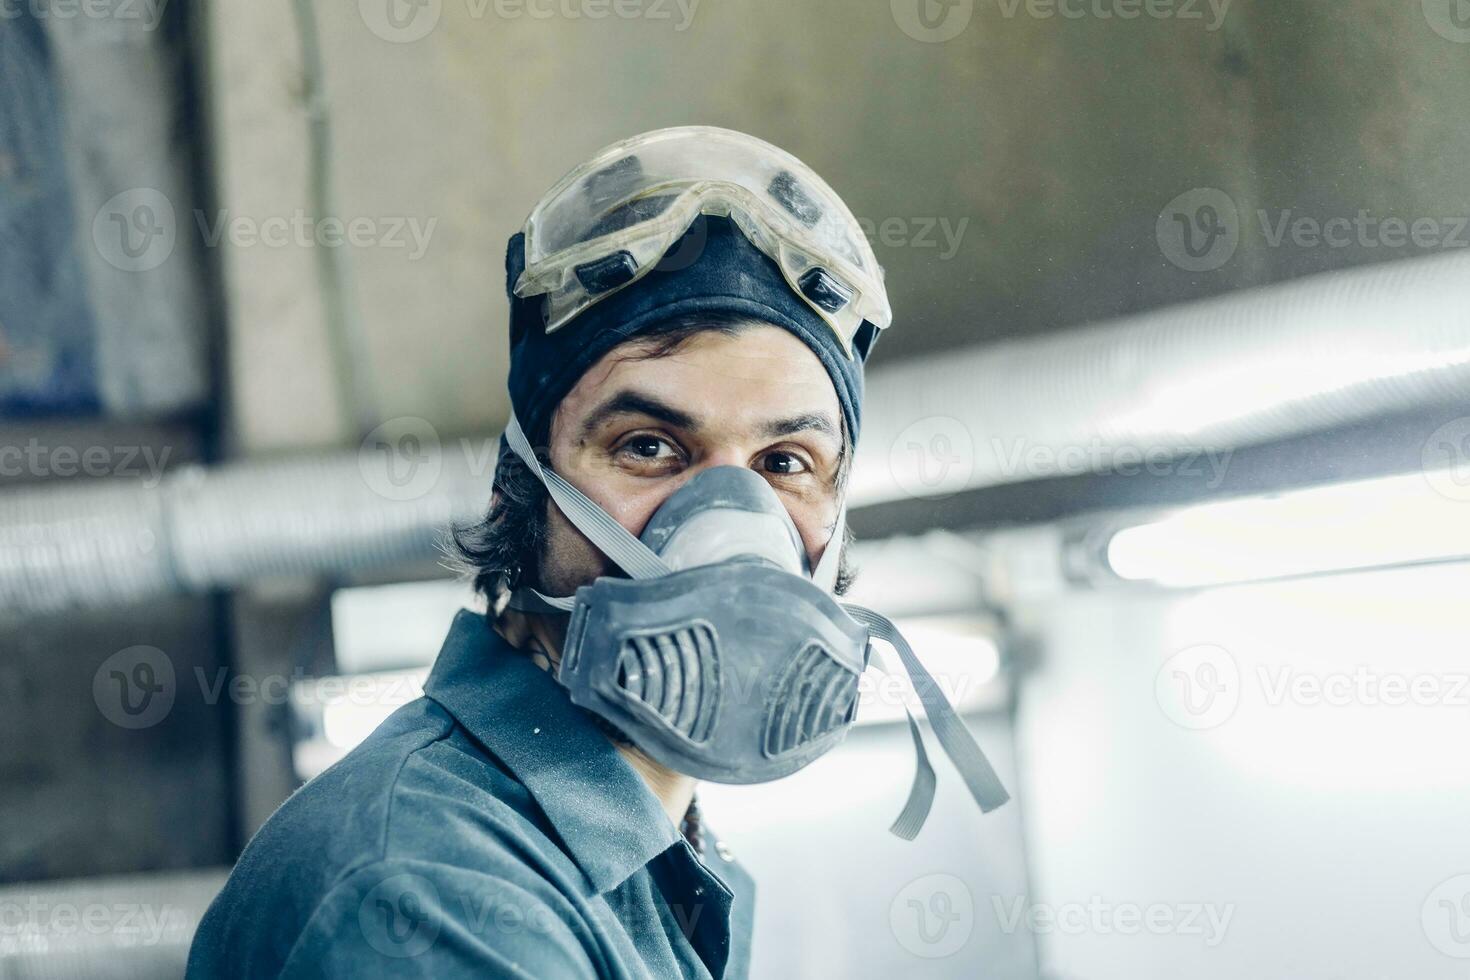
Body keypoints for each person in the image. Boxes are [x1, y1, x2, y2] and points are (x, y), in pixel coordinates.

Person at [186, 126, 1006, 979]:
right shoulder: (433, 895)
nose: (730, 522)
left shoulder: (645, 868)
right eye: (649, 446)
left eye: (785, 464)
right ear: (521, 491)